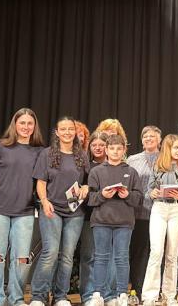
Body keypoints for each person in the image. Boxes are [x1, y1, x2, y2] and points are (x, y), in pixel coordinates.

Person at [0, 108, 44, 306]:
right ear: (15, 125)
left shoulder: (39, 151)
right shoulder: (0, 146)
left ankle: (16, 299)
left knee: (22, 259)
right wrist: (0, 194)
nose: (26, 127)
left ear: (34, 126)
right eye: (22, 123)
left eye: (30, 123)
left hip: (25, 211)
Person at [30, 117, 90, 306]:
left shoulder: (82, 155)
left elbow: (89, 180)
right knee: (50, 252)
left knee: (67, 255)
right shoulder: (47, 154)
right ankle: (38, 297)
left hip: (75, 212)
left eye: (70, 129)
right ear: (57, 132)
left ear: (74, 131)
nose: (67, 132)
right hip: (52, 209)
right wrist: (44, 201)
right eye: (62, 129)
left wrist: (86, 188)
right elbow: (40, 182)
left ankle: (60, 296)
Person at [141, 134, 178, 306]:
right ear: (167, 148)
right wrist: (152, 193)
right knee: (156, 252)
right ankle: (150, 296)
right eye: (176, 147)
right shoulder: (158, 166)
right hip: (159, 208)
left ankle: (169, 295)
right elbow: (148, 191)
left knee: (172, 255)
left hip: (177, 209)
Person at [87, 134, 143, 306]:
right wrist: (102, 195)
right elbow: (90, 198)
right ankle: (98, 293)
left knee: (121, 258)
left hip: (124, 222)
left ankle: (121, 294)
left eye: (119, 148)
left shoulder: (131, 172)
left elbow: (139, 198)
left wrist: (128, 195)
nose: (115, 151)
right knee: (101, 257)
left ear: (124, 150)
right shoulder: (96, 171)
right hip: (101, 220)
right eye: (112, 148)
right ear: (106, 150)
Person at [126, 126, 162, 298]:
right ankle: (137, 289)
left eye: (152, 136)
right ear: (141, 140)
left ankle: (155, 290)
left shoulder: (166, 158)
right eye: (145, 136)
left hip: (161, 212)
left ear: (159, 139)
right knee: (138, 252)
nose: (149, 139)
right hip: (138, 213)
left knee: (156, 252)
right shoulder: (132, 160)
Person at [79, 131, 113, 306]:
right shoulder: (85, 167)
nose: (98, 148)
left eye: (102, 145)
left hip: (110, 217)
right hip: (88, 216)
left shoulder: (114, 166)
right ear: (89, 147)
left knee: (108, 257)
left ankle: (106, 295)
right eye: (94, 145)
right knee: (89, 256)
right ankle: (88, 295)